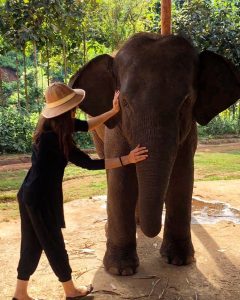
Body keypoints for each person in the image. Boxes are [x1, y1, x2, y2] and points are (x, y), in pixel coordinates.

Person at [13, 82, 148, 300]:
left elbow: (87, 125)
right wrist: (127, 159)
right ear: (67, 109)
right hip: (41, 199)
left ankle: (20, 294)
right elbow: (90, 163)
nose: (76, 109)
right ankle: (71, 291)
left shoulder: (52, 124)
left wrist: (113, 111)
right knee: (53, 244)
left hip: (28, 194)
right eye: (73, 106)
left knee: (32, 244)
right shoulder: (55, 138)